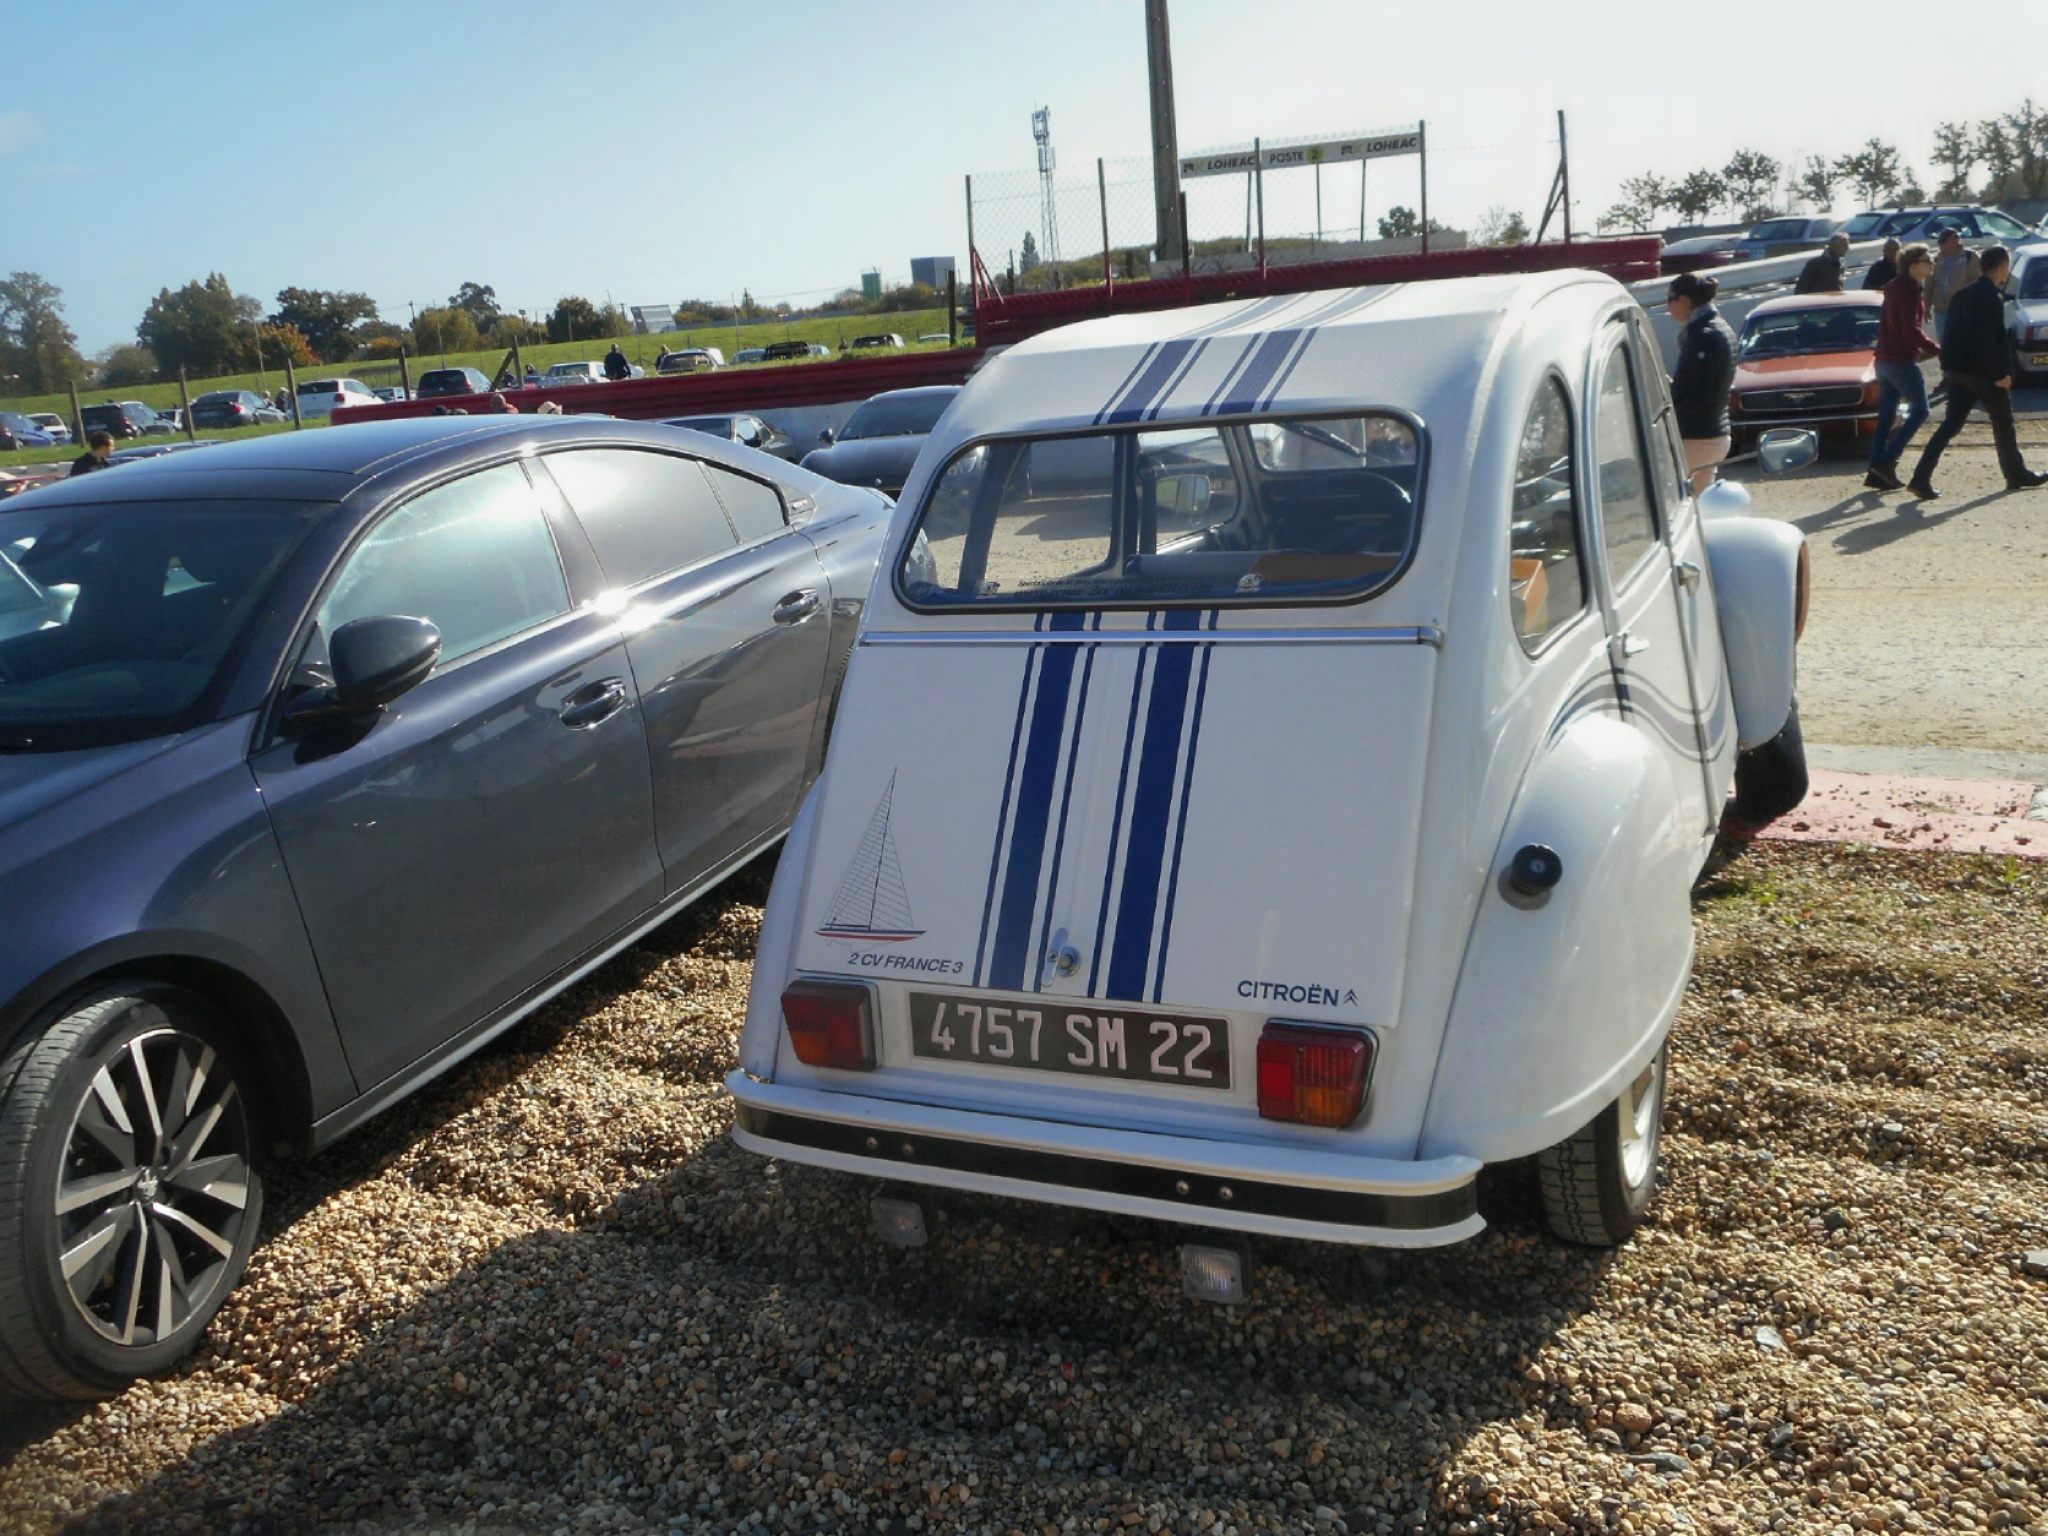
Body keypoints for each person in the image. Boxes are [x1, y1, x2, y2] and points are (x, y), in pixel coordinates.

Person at [1907, 246, 2047, 497]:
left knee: (1950, 425)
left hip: (1959, 371)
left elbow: (1949, 334)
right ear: (2002, 267)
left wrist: (1948, 366)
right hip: (1983, 373)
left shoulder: (1963, 295)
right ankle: (2016, 474)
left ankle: (1920, 477)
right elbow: (1986, 341)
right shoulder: (1991, 297)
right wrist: (2000, 374)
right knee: (2003, 423)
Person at [1865, 242, 1940, 491]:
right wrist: (1937, 350)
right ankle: (1887, 462)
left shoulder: (1895, 288)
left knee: (1886, 417)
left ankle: (1875, 470)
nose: (1931, 264)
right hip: (1900, 361)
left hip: (1883, 361)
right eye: (1927, 260)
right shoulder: (1909, 292)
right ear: (1913, 265)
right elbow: (1911, 331)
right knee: (1920, 411)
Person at [1664, 271, 1737, 493]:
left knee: (1666, 494)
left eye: (1670, 300)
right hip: (1713, 434)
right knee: (1701, 499)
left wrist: (1669, 412)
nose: (1668, 307)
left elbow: (1701, 394)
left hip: (1697, 436)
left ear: (1684, 300)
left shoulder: (1704, 336)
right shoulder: (1718, 328)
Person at [1925, 228, 1980, 342]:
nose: (1942, 245)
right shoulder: (1936, 259)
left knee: (1962, 342)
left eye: (1945, 241)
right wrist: (1926, 307)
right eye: (1941, 241)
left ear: (1955, 241)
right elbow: (1929, 285)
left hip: (1962, 310)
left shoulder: (1969, 257)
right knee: (1944, 342)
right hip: (1941, 309)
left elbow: (1977, 281)